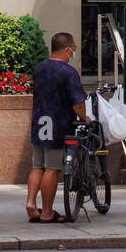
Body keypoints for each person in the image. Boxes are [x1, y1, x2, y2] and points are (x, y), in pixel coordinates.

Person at [26, 32, 91, 223]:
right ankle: (47, 212)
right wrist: (84, 117)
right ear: (66, 49)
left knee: (38, 166)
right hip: (58, 125)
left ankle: (31, 202)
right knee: (52, 169)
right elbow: (77, 104)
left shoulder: (40, 68)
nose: (73, 53)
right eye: (73, 50)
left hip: (39, 123)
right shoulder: (68, 72)